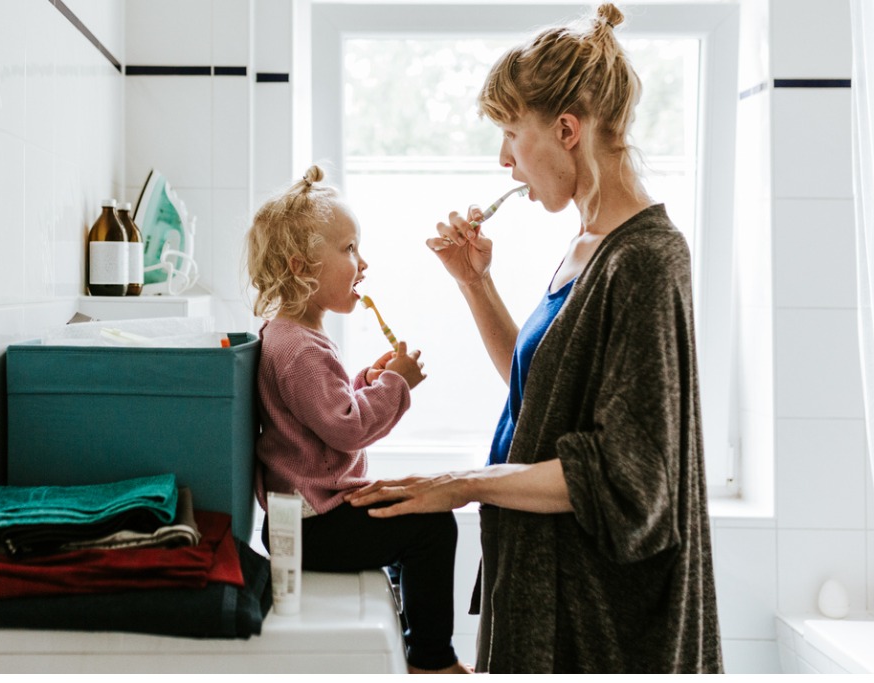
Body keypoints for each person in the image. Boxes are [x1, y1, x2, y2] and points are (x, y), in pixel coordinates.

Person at [345, 3, 723, 674]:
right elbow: (543, 395)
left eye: (512, 134)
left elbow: (632, 479)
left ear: (567, 130)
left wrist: (463, 483)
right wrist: (474, 283)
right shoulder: (587, 246)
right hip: (543, 586)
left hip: (603, 621)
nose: (504, 161)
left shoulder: (646, 261)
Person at [245, 165, 470, 674]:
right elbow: (345, 427)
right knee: (433, 527)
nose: (363, 262)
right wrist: (396, 386)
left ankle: (413, 629)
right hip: (316, 526)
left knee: (412, 509)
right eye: (348, 250)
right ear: (303, 267)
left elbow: (321, 412)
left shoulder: (290, 336)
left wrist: (366, 381)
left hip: (307, 520)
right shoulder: (299, 347)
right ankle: (433, 660)